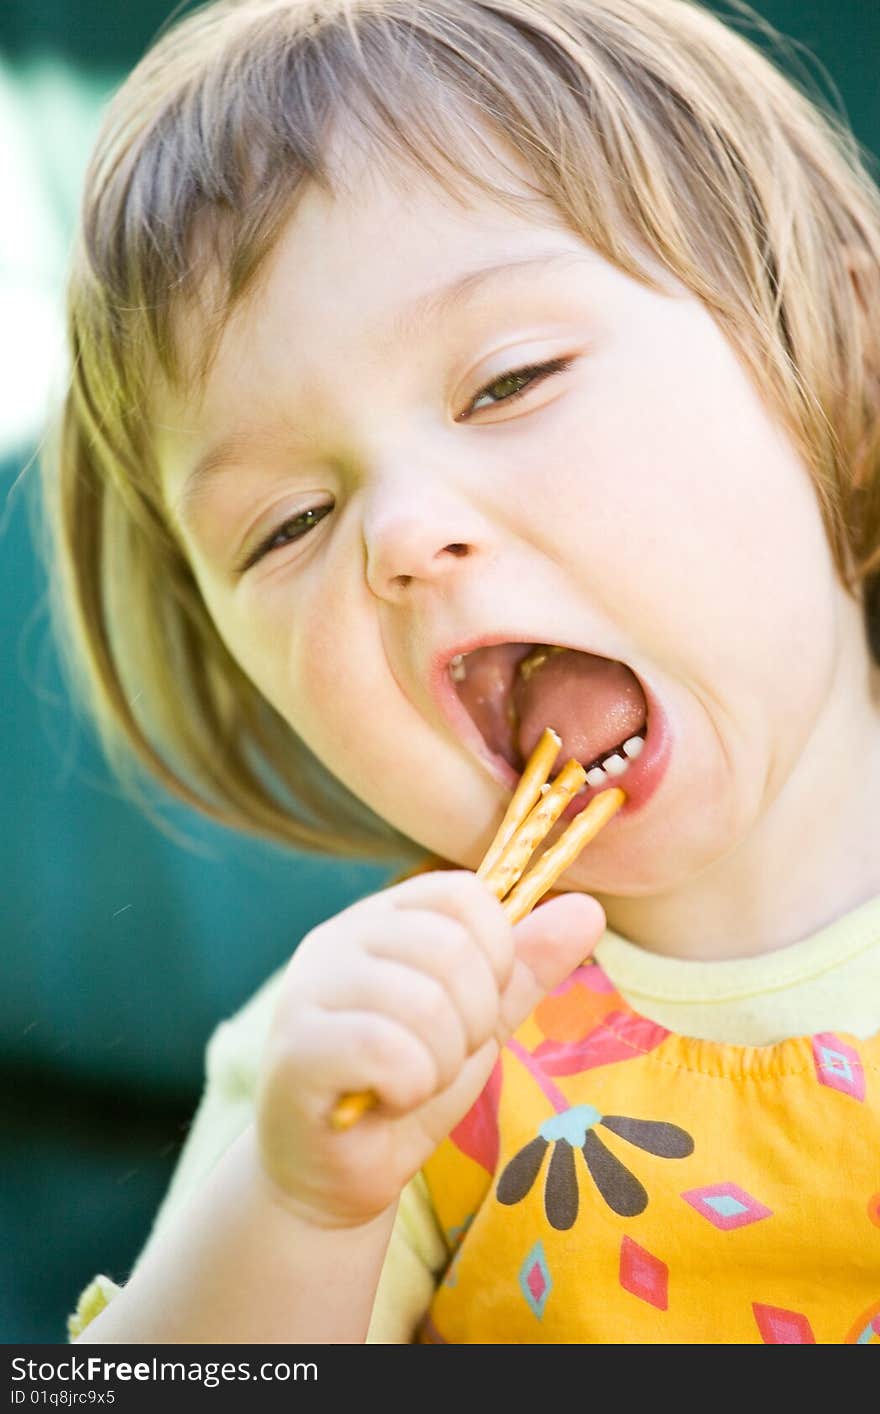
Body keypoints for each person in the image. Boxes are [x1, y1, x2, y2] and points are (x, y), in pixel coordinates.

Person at [47, 0, 880, 1344]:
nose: (399, 537)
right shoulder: (359, 1069)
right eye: (288, 525)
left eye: (509, 380)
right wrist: (296, 1204)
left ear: (838, 361)